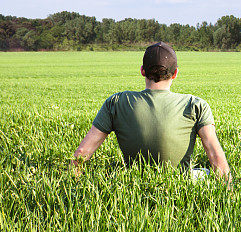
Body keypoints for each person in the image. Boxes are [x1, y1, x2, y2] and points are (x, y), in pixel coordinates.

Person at [70, 41, 231, 182]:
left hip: (133, 184)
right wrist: (228, 193)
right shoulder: (195, 105)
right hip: (181, 183)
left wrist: (72, 185)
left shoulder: (116, 102)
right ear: (175, 73)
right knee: (204, 173)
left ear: (142, 71)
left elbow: (82, 152)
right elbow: (215, 155)